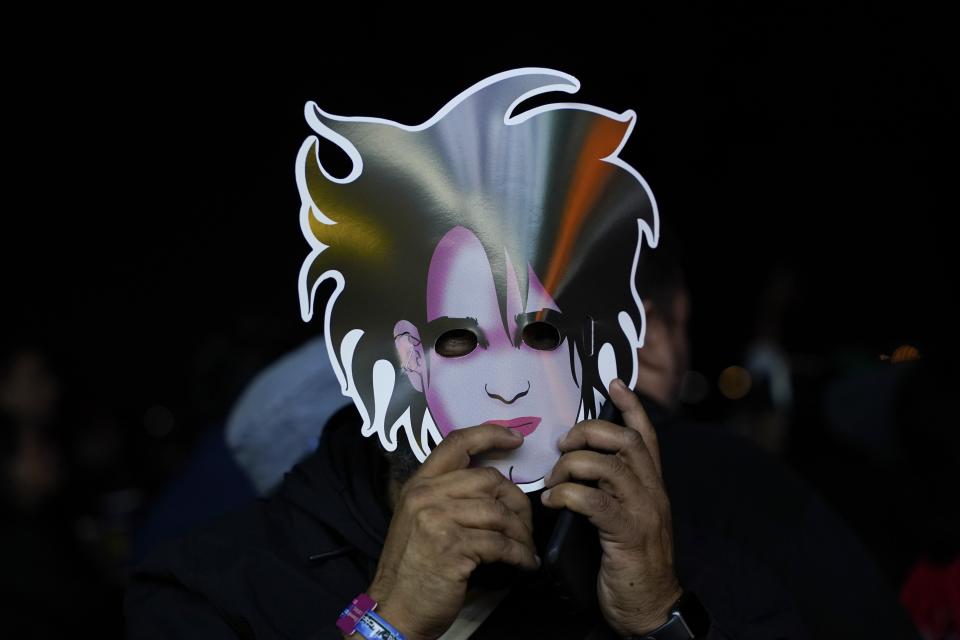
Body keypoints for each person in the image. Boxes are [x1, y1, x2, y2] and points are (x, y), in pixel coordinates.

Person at [126, 69, 918, 639]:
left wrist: (661, 617)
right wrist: (388, 626)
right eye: (460, 340)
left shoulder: (682, 561)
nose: (506, 387)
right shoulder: (219, 586)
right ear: (405, 354)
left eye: (542, 334)